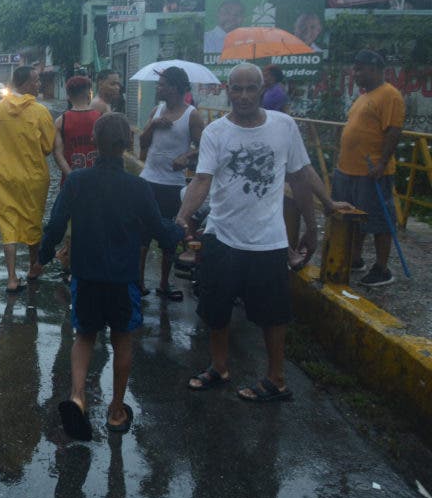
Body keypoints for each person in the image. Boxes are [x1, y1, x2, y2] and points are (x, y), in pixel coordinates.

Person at [177, 63, 347, 402]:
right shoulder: (216, 132)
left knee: (273, 315)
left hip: (269, 240)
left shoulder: (284, 127)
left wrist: (319, 217)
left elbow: (301, 175)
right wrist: (181, 216)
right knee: (215, 308)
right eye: (236, 89)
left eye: (250, 88)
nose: (242, 96)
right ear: (228, 90)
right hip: (222, 236)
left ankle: (276, 379)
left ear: (261, 90)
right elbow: (202, 180)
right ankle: (219, 367)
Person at [39, 112, 182, 438]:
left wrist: (45, 254)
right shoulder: (139, 187)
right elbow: (160, 230)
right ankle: (116, 410)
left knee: (84, 337)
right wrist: (180, 233)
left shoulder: (76, 181)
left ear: (94, 142)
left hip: (86, 276)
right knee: (122, 341)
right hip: (123, 281)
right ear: (127, 144)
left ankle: (77, 397)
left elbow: (56, 224)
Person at [332, 50, 405, 287]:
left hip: (371, 171)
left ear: (374, 69)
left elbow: (393, 131)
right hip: (348, 171)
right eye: (355, 69)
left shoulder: (389, 95)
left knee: (379, 222)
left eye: (359, 69)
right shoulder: (364, 96)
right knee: (354, 219)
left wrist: (382, 162)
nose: (355, 73)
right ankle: (355, 259)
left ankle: (382, 269)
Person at [138, 66, 204, 300]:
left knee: (169, 237)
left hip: (172, 185)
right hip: (148, 181)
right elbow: (143, 142)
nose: (158, 88)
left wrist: (185, 157)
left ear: (175, 88)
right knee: (142, 236)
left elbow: (204, 148)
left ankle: (164, 284)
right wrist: (153, 124)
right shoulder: (156, 111)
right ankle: (139, 283)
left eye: (162, 84)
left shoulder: (192, 115)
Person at [0, 66, 55, 293]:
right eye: (36, 80)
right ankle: (33, 267)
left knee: (8, 225)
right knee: (32, 221)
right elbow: (47, 147)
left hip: (5, 175)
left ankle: (11, 278)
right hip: (33, 177)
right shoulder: (40, 112)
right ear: (25, 83)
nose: (39, 84)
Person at [51, 76, 101, 277]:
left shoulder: (61, 121)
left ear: (69, 95)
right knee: (96, 222)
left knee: (72, 224)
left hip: (71, 183)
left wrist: (71, 176)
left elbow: (58, 153)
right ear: (89, 91)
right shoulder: (101, 116)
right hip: (98, 182)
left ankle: (70, 263)